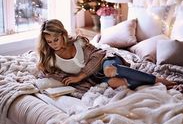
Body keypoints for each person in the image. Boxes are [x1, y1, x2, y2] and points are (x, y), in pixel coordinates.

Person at [37, 19, 175, 90]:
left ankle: (156, 79)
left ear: (63, 35)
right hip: (95, 78)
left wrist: (81, 75)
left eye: (56, 39)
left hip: (106, 61)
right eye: (49, 42)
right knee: (115, 82)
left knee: (109, 71)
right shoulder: (51, 60)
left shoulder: (78, 42)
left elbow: (98, 54)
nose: (53, 44)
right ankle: (144, 81)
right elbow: (55, 75)